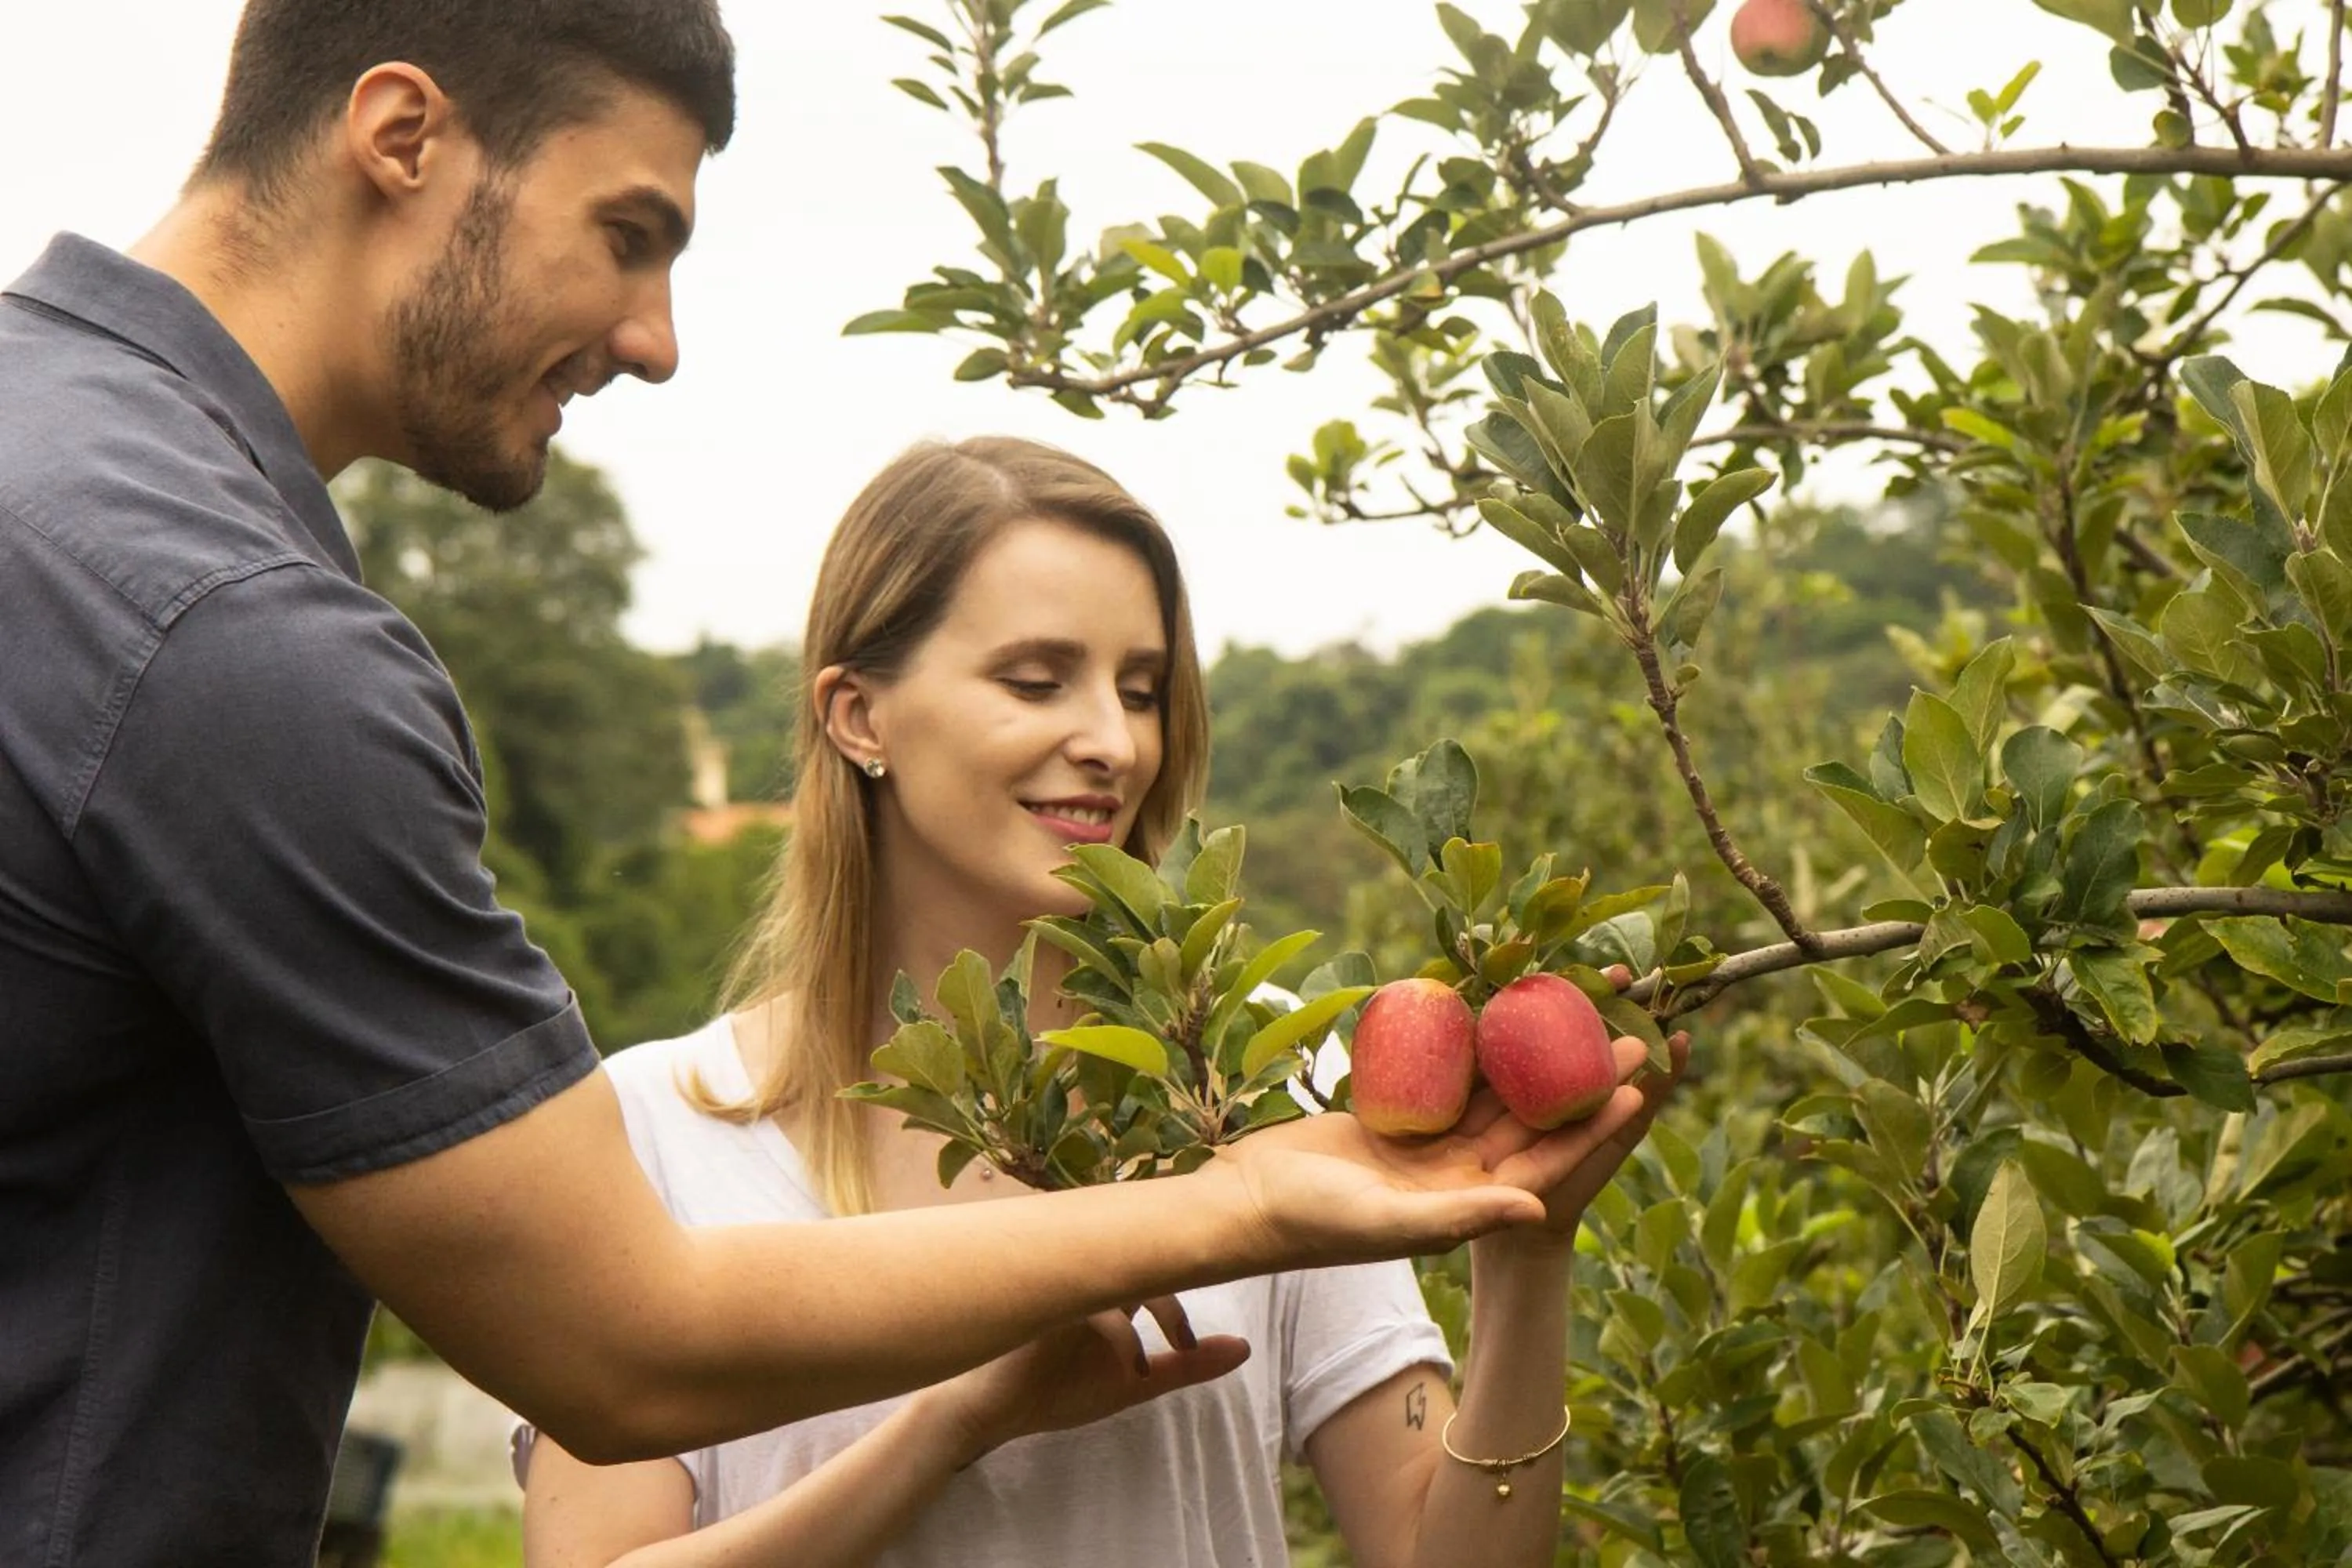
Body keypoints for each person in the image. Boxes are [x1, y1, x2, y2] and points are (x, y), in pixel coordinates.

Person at [0, 6, 1656, 1563]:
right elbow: (622, 1335)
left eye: (1144, 689)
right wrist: (1226, 1210)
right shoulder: (226, 637)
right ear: (402, 134)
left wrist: (1502, 1258)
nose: (653, 341)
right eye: (629, 233)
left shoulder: (57, 475)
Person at [515, 437, 1688, 1568]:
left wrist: (1531, 1256)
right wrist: (956, 1425)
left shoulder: (1260, 1081)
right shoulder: (655, 1127)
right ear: (858, 716)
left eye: (1142, 689)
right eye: (1037, 681)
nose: (1113, 742)